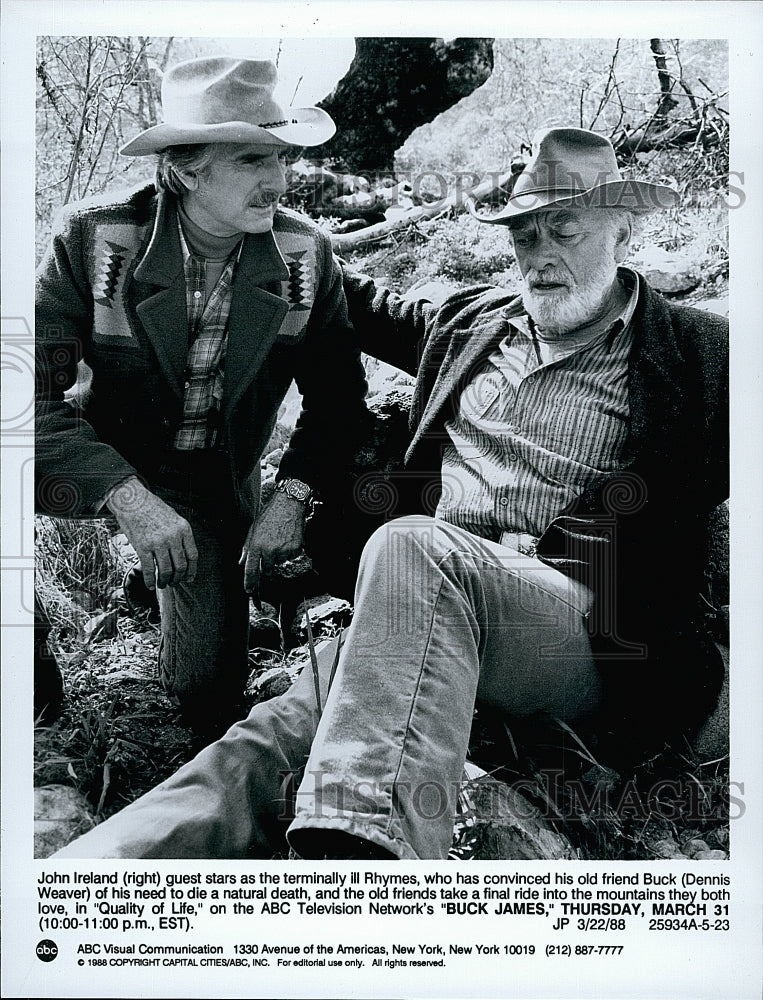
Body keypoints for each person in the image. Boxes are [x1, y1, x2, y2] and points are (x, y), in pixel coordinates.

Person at [53, 127, 728, 860]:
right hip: (421, 607)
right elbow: (341, 294)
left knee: (414, 546)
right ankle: (84, 877)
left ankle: (367, 850)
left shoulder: (698, 354)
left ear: (624, 231)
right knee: (268, 736)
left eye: (564, 230)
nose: (540, 257)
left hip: (582, 630)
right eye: (523, 236)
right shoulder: (470, 326)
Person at [35, 57, 369, 735]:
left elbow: (339, 402)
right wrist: (122, 494)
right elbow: (23, 392)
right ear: (186, 169)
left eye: (281, 158)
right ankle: (30, 683)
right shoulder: (93, 237)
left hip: (208, 479)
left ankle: (173, 607)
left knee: (209, 697)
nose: (277, 180)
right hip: (89, 455)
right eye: (251, 160)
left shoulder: (306, 256)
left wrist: (291, 496)